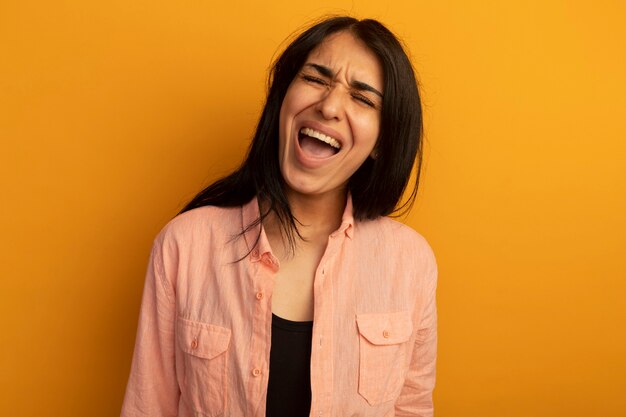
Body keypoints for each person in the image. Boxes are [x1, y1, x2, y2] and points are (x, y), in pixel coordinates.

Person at [121, 15, 437, 417]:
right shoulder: (183, 246)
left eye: (362, 98)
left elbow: (412, 409)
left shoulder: (411, 263)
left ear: (382, 142)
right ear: (282, 99)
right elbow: (149, 407)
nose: (329, 105)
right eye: (316, 79)